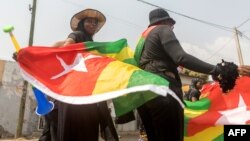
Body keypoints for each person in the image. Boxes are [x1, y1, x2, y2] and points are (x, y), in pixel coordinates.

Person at [136, 8, 226, 141]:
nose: (172, 28)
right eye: (171, 25)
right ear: (166, 21)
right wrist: (216, 69)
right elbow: (181, 57)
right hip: (163, 90)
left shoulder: (143, 41)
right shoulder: (162, 29)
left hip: (145, 94)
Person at [53, 9, 119, 141]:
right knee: (77, 126)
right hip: (74, 90)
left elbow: (56, 45)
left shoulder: (91, 43)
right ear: (82, 23)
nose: (93, 24)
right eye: (89, 21)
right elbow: (67, 44)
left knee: (87, 125)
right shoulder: (78, 34)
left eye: (95, 22)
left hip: (85, 91)